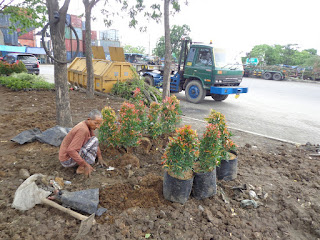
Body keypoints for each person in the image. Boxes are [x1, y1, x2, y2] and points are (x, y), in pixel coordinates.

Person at [59, 109, 107, 177]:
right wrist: (84, 164)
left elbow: (93, 141)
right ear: (89, 119)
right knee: (95, 140)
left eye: (99, 124)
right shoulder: (83, 130)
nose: (97, 126)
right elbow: (71, 150)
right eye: (96, 123)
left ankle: (83, 165)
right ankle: (82, 168)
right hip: (67, 160)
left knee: (93, 140)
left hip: (67, 158)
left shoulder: (87, 125)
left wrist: (100, 157)